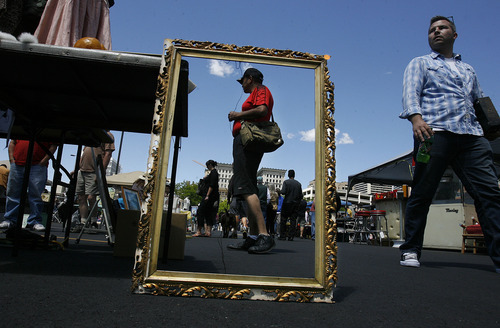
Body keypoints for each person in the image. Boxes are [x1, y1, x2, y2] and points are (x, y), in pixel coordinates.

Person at [399, 16, 500, 273]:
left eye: (442, 28)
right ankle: (411, 248)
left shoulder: (468, 69)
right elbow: (411, 92)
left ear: (455, 35)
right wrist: (416, 119)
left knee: (489, 192)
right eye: (432, 30)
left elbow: (479, 99)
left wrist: (490, 126)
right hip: (433, 133)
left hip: (472, 137)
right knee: (422, 191)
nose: (436, 32)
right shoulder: (420, 63)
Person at [227, 68, 275, 254]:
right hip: (247, 141)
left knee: (246, 186)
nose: (242, 85)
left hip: (247, 141)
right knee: (249, 187)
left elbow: (262, 109)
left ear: (250, 78)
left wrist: (237, 115)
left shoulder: (261, 90)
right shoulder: (259, 91)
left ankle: (264, 235)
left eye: (243, 81)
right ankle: (254, 236)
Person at [0, 140, 57, 231]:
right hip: (19, 164)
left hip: (36, 165)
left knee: (35, 195)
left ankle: (33, 221)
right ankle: (11, 219)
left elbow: (54, 145)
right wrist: (12, 159)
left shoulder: (45, 130)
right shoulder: (22, 129)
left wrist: (44, 161)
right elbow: (12, 143)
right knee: (13, 193)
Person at [75, 131, 114, 227]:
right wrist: (77, 169)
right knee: (81, 197)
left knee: (91, 197)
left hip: (94, 171)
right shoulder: (91, 134)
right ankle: (83, 221)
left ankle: (93, 221)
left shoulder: (108, 135)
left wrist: (100, 172)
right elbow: (83, 153)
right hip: (82, 170)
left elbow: (108, 154)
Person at [193, 160, 219, 237]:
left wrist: (207, 195)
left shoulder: (213, 173)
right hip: (212, 196)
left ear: (210, 165)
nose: (207, 167)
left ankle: (199, 231)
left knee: (200, 212)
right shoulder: (213, 173)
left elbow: (212, 185)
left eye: (207, 165)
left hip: (209, 196)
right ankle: (208, 231)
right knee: (208, 213)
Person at [278, 169, 303, 241]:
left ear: (288, 175)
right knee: (293, 220)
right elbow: (301, 195)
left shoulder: (286, 182)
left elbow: (283, 192)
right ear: (294, 175)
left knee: (283, 219)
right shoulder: (298, 184)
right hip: (295, 204)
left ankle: (282, 235)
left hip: (287, 203)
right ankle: (291, 236)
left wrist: (279, 191)